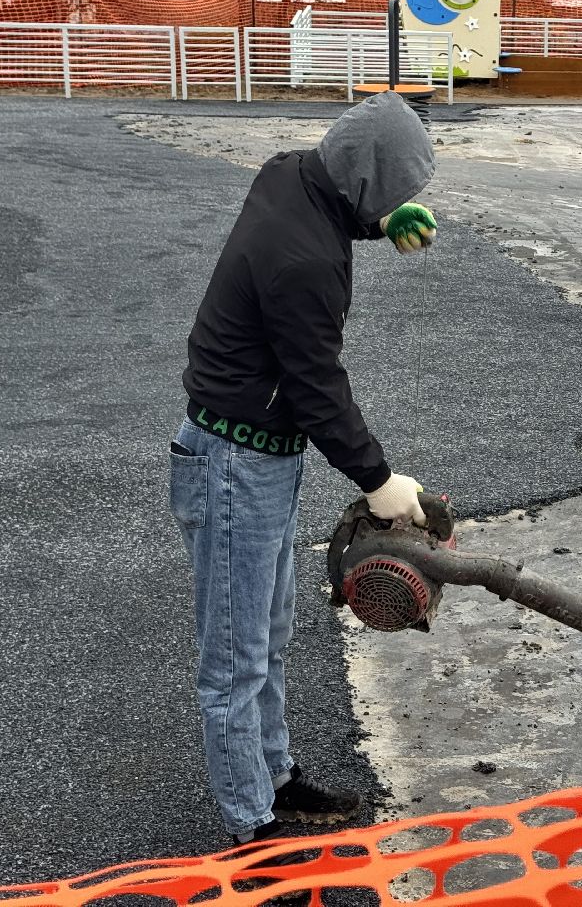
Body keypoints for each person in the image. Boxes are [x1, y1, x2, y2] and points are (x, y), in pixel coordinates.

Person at [168, 93, 439, 846]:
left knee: (268, 634)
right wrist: (379, 481)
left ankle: (275, 777)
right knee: (235, 662)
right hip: (233, 462)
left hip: (254, 453)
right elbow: (317, 388)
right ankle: (251, 834)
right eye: (395, 192)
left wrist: (379, 223)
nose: (399, 202)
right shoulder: (304, 262)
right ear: (367, 177)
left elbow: (333, 201)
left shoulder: (290, 173)